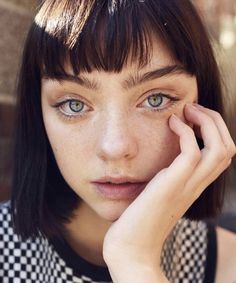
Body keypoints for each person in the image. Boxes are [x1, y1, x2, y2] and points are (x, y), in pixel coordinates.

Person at [0, 0, 235, 282]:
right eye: (74, 104)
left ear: (202, 110)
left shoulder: (227, 265)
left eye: (155, 100)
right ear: (38, 115)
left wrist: (135, 262)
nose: (115, 147)